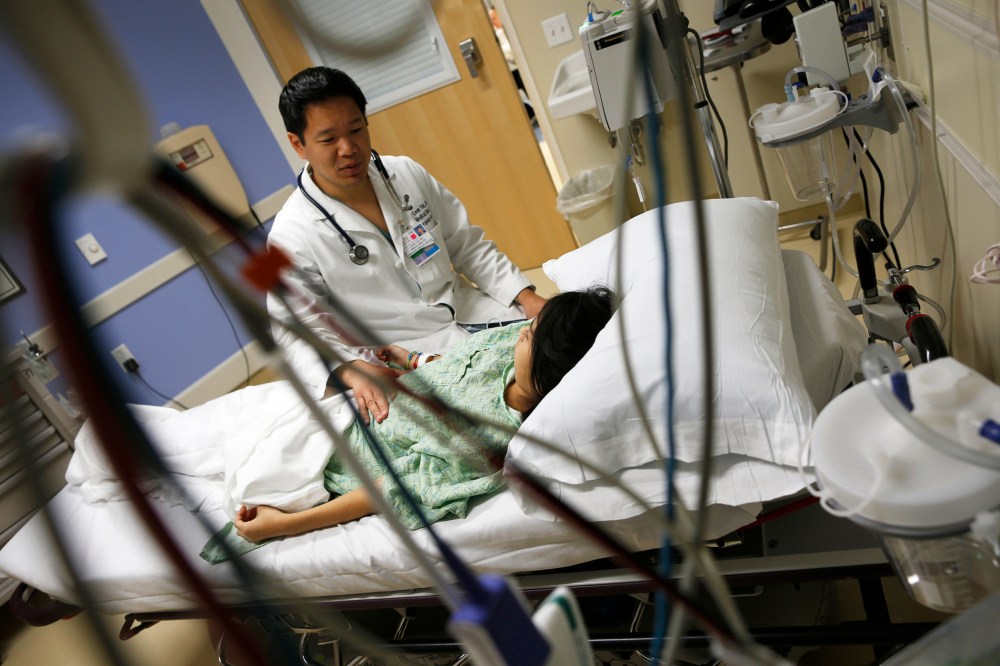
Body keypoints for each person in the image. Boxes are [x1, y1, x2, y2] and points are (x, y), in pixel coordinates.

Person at [201, 287, 613, 560]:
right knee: (223, 424)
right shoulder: (509, 343)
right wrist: (408, 359)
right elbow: (455, 363)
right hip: (347, 407)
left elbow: (390, 491)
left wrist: (284, 526)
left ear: (552, 368)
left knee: (223, 465)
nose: (523, 329)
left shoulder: (485, 440)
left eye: (533, 334)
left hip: (329, 463)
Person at [267, 66, 547, 423]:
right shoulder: (288, 236)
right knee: (508, 410)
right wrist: (352, 371)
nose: (348, 149)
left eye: (356, 129)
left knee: (561, 354)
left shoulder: (406, 173)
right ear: (298, 144)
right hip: (404, 355)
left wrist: (528, 299)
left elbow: (467, 244)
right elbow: (293, 332)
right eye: (328, 140)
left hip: (474, 313)